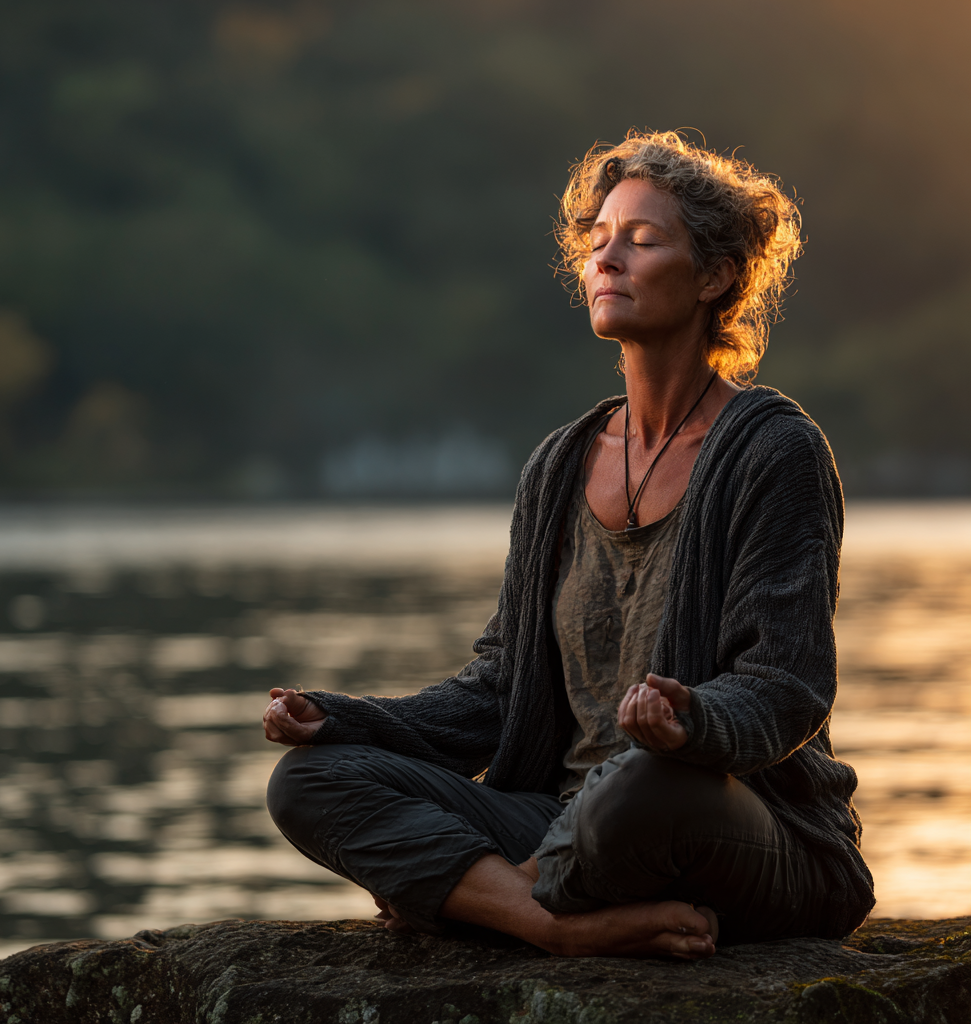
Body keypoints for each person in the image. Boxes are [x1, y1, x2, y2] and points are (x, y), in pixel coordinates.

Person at [262, 130, 875, 959]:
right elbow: (498, 689)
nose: (607, 259)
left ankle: (479, 893)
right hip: (560, 818)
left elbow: (789, 686)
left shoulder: (775, 451)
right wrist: (343, 719)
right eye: (597, 243)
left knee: (637, 789)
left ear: (716, 276)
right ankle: (550, 920)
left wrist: (691, 723)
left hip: (731, 822)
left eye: (644, 240)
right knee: (309, 782)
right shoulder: (558, 465)